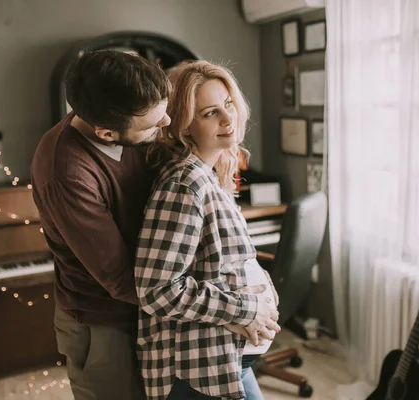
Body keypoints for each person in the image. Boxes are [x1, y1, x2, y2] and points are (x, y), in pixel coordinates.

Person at [135, 60, 281, 400]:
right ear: (185, 127)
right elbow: (157, 290)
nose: (228, 118)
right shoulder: (186, 184)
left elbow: (222, 264)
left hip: (225, 363)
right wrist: (243, 310)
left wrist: (264, 291)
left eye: (228, 104)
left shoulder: (211, 172)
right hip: (196, 372)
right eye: (210, 113)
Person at [30, 49, 171, 400]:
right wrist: (210, 303)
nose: (167, 123)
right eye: (153, 124)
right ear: (107, 134)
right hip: (101, 323)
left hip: (149, 304)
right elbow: (120, 279)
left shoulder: (129, 120)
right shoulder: (67, 173)